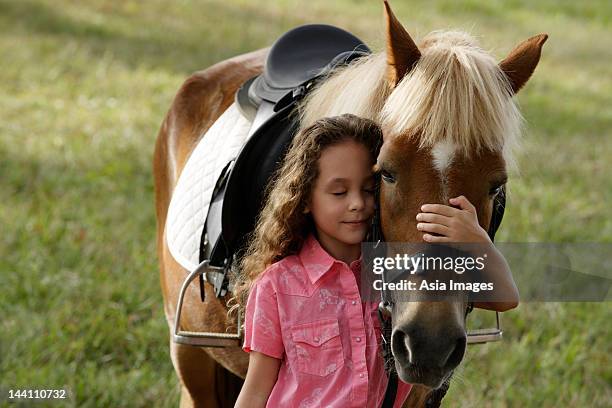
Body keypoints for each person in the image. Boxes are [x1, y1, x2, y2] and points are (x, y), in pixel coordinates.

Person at [232, 113, 517, 407]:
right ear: (304, 198)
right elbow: (255, 390)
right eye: (339, 192)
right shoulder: (277, 286)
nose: (357, 203)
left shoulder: (391, 270)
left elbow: (505, 297)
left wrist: (476, 241)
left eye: (369, 190)